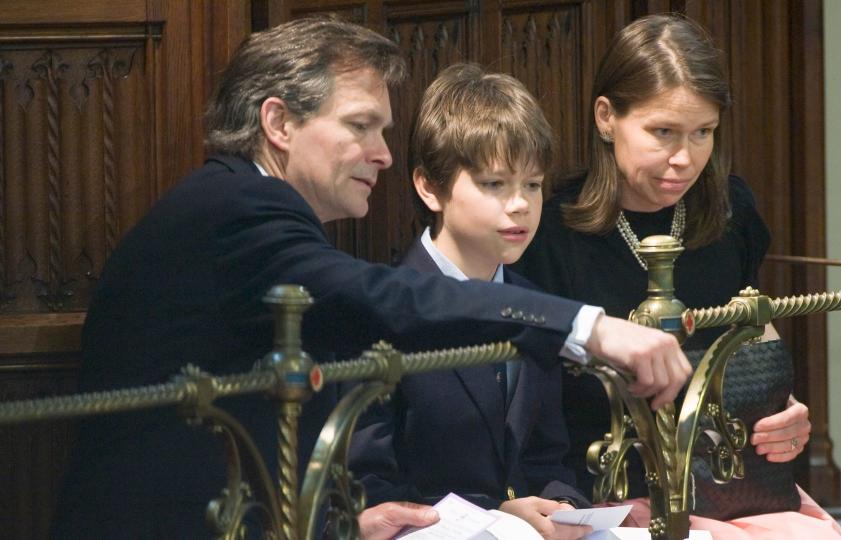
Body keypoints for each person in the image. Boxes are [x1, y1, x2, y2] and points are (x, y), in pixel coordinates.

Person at [52, 17, 690, 539]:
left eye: (384, 132)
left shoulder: (248, 205)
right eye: (361, 127)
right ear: (278, 124)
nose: (383, 154)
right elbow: (381, 299)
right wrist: (586, 325)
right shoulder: (238, 208)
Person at [511, 14, 841, 539]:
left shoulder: (730, 211)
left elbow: (755, 340)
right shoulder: (550, 236)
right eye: (662, 132)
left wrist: (784, 413)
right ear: (606, 117)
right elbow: (531, 406)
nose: (684, 159)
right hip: (604, 493)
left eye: (703, 133)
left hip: (731, 489)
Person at [349, 64, 592, 540]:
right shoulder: (381, 313)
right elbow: (372, 489)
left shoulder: (537, 303)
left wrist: (565, 506)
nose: (520, 204)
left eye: (533, 184)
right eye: (494, 184)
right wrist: (501, 511)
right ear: (429, 187)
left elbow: (548, 457)